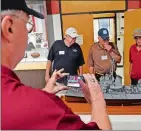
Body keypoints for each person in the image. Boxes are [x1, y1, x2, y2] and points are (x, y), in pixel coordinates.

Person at [1, 0, 112, 130]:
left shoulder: (14, 99)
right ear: (9, 28)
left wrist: (43, 94)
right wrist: (97, 100)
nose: (29, 32)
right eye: (27, 24)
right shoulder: (45, 107)